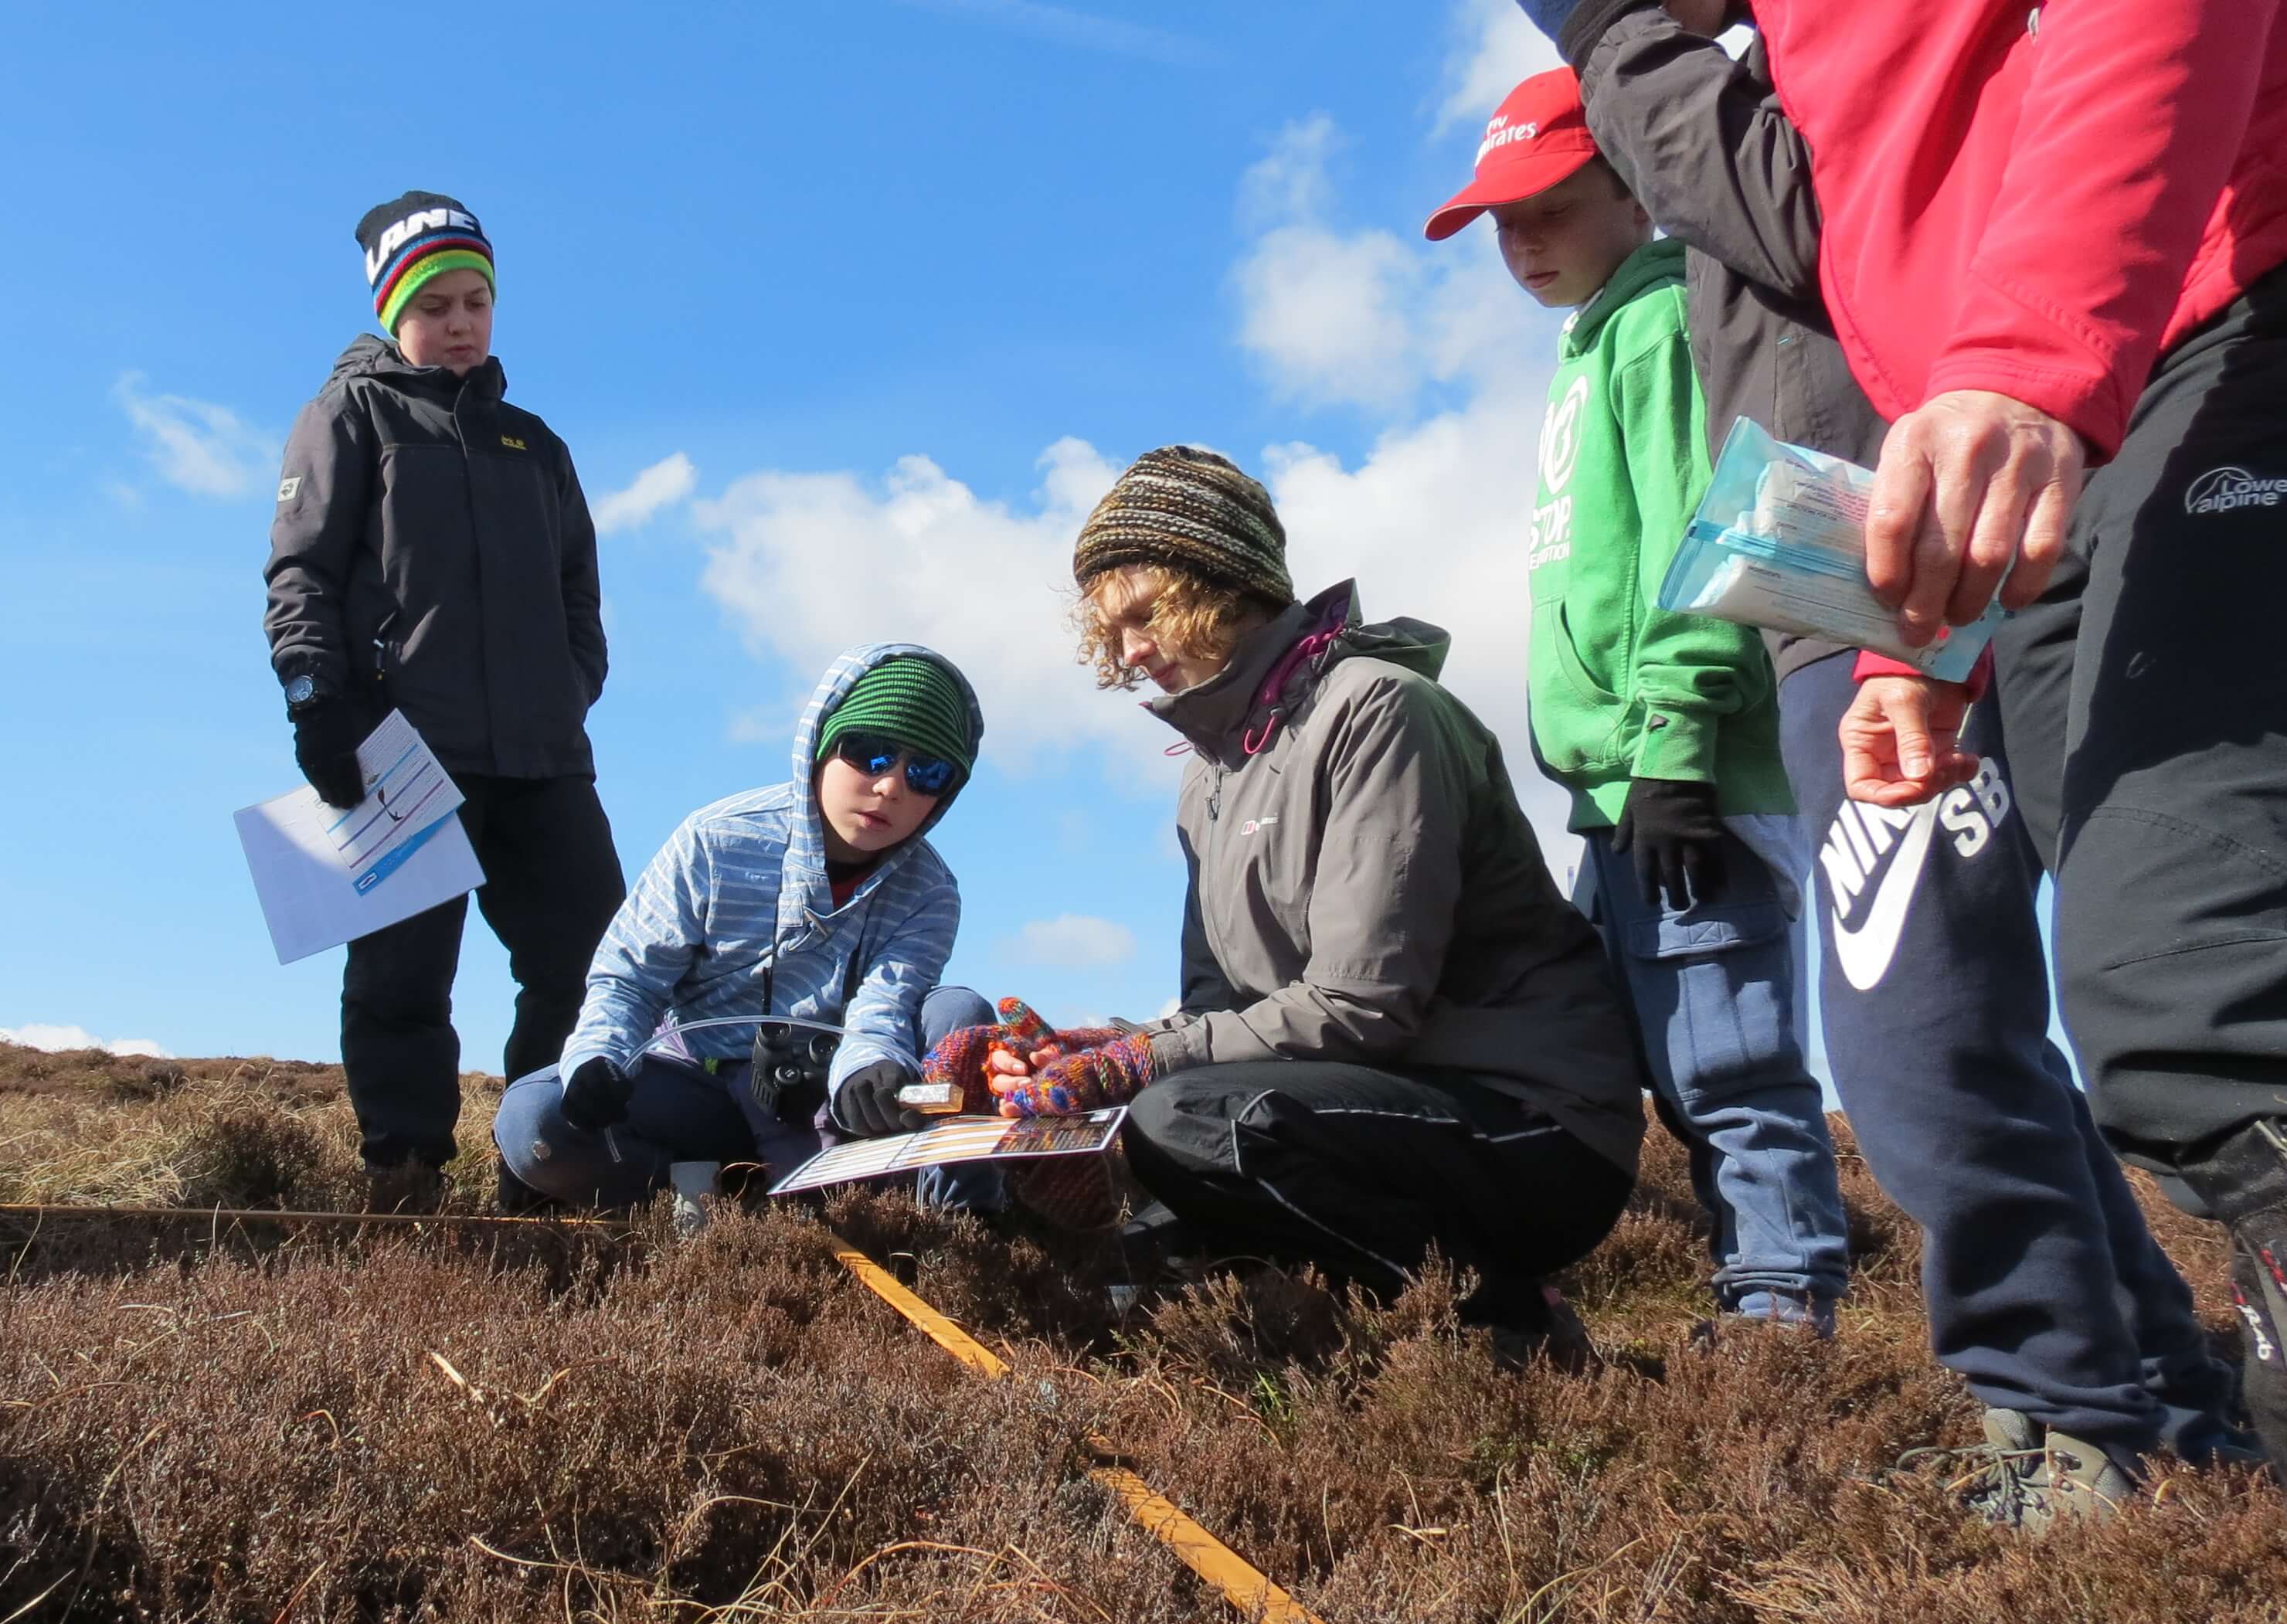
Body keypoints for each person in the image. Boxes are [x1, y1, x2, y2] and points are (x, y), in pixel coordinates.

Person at [1521, 0, 2287, 1472]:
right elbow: (1934, 204)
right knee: (2148, 1019)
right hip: (2053, 438)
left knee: (2194, 975)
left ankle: (2109, 1415)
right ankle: (2168, 1424)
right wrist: (1930, 629)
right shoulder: (1801, 53)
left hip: (2206, 313)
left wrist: (2026, 360)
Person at [948, 447, 1643, 1358]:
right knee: (1159, 1186)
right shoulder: (1206, 782)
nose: (1130, 654)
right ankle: (1362, 1333)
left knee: (1186, 1119)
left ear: (1223, 580)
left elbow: (1364, 1004)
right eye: (1111, 633)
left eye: (1146, 615)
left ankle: (1498, 1327)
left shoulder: (1379, 712)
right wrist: (1093, 1047)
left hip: (1530, 1122)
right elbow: (1216, 1016)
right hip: (1382, 1106)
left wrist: (1139, 1064)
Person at [1426, 70, 1849, 1332]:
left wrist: (1673, 744)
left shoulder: (1660, 325)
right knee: (1585, 1061)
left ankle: (1783, 1330)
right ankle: (1531, 1296)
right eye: (1498, 222)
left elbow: (1702, 535)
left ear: (1630, 183)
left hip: (1693, 776)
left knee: (1726, 1068)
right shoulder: (1592, 341)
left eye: (1547, 206)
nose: (1519, 242)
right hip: (1619, 796)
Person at [263, 190, 625, 1215]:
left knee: (593, 969)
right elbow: (300, 574)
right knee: (401, 983)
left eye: (477, 301)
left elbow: (579, 598)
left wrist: (569, 693)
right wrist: (320, 707)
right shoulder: (350, 417)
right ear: (393, 312)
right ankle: (405, 1181)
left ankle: (543, 1172)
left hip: (545, 760)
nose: (461, 322)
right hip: (402, 750)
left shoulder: (537, 447)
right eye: (436, 306)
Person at [496, 644, 1001, 1215]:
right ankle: (704, 1194)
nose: (891, 787)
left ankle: (956, 1226)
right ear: (821, 745)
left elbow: (888, 1002)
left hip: (828, 1103)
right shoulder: (714, 841)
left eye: (927, 773)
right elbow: (630, 979)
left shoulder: (931, 892)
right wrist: (601, 1059)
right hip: (699, 1092)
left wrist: (869, 1069)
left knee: (958, 1014)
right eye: (870, 753)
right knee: (534, 1118)